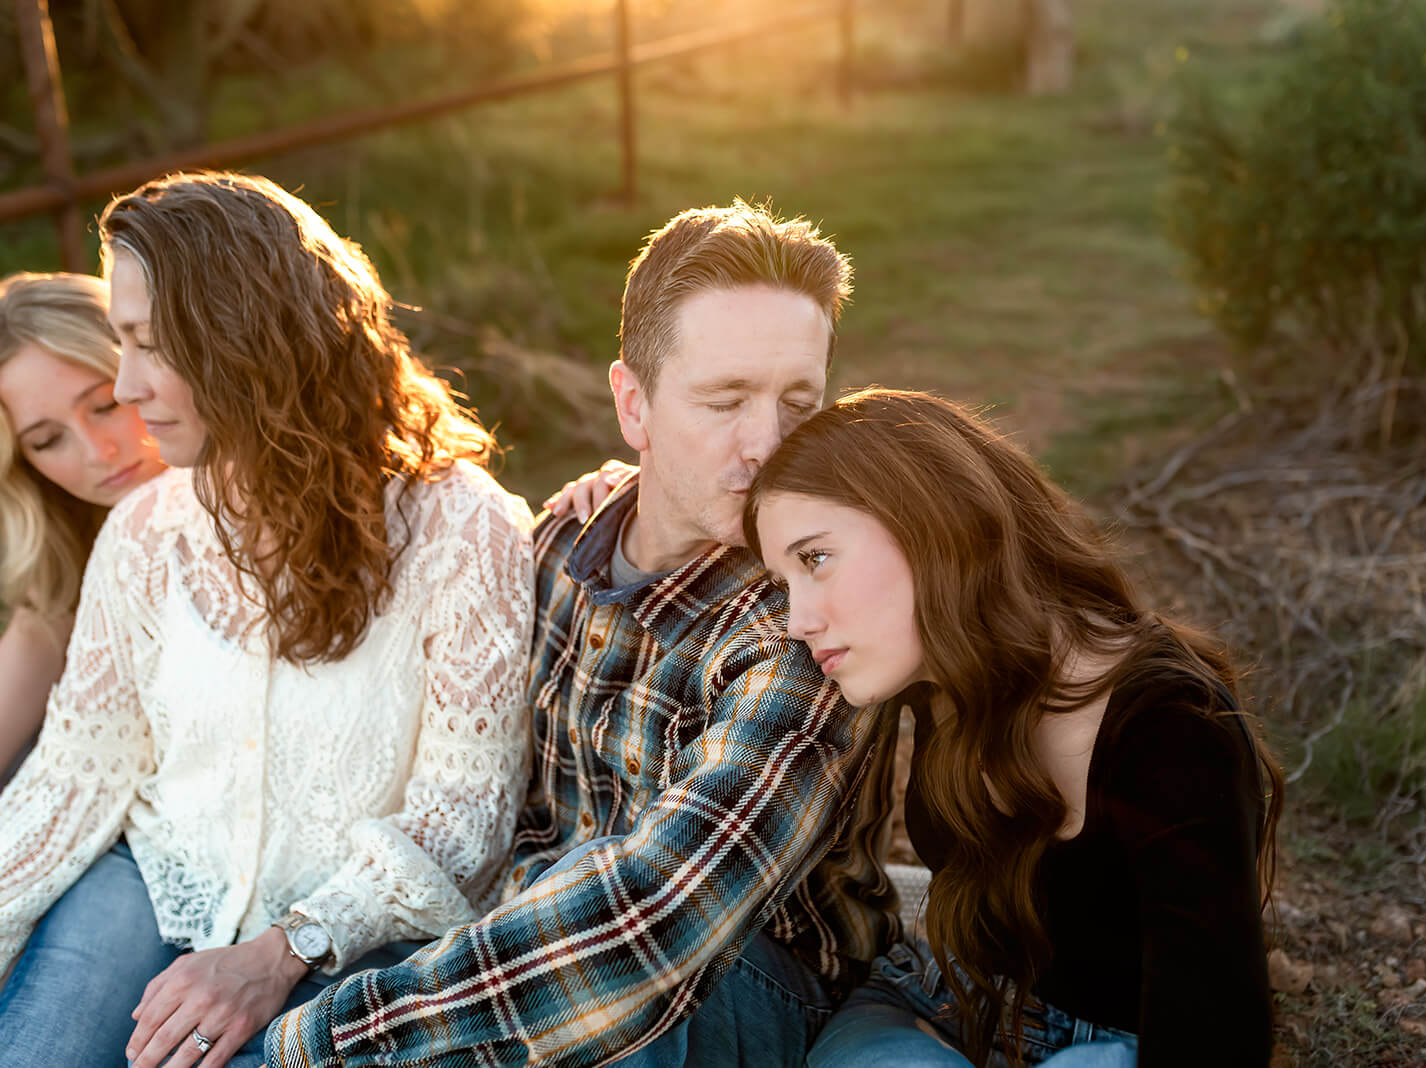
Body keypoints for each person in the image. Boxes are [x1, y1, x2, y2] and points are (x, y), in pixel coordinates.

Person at [261, 201, 897, 1068]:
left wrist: (325, 1039)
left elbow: (652, 919)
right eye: (724, 400)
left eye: (800, 401)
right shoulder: (561, 539)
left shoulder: (807, 619)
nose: (772, 444)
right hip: (529, 934)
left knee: (593, 919)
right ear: (633, 406)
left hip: (740, 975)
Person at [0, 171, 538, 1068]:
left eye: (151, 345)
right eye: (121, 344)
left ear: (251, 336)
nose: (127, 386)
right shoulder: (142, 530)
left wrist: (282, 950)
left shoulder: (458, 526)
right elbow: (70, 779)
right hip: (156, 881)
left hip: (355, 937)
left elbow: (462, 822)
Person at [745, 389, 1283, 1068]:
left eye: (816, 559)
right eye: (784, 581)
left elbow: (1215, 1027)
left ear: (931, 519)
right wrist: (621, 493)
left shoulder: (1174, 727)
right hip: (931, 1005)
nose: (798, 621)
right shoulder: (934, 675)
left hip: (1118, 1043)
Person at [0, 272, 167, 786]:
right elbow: (35, 639)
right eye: (48, 440)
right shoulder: (71, 542)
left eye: (106, 406)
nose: (99, 453)